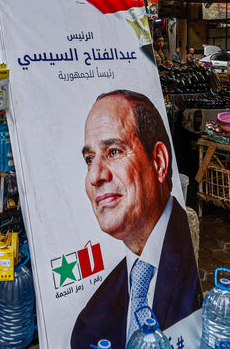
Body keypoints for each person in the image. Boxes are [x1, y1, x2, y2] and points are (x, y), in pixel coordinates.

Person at [72, 90, 201, 349]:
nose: (95, 175)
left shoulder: (190, 264)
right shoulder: (91, 321)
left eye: (115, 151)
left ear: (159, 162)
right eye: (89, 159)